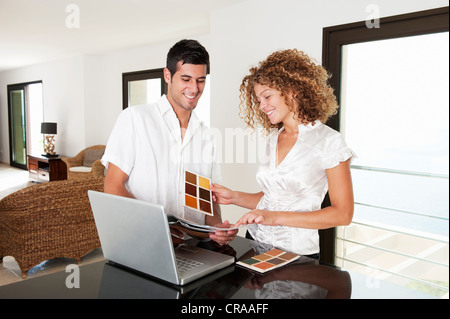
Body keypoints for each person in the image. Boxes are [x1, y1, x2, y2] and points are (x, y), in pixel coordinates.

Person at [211, 49, 355, 256]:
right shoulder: (273, 139)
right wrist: (233, 197)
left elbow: (342, 214)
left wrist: (274, 217)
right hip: (257, 242)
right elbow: (272, 197)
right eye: (259, 100)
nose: (262, 106)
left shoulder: (329, 142)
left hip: (296, 253)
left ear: (292, 90)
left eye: (267, 96)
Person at [102, 39, 236, 245]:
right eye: (186, 78)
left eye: (200, 80)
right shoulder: (135, 118)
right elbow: (113, 187)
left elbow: (205, 199)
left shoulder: (206, 136)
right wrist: (160, 227)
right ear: (167, 75)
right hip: (143, 242)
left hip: (194, 247)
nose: (194, 88)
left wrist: (216, 227)